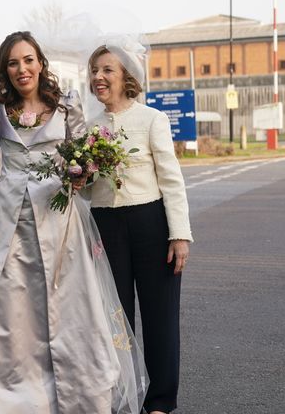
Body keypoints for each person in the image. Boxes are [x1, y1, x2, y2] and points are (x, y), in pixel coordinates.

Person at [0, 31, 148, 414]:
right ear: (5, 71)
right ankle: (10, 396)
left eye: (28, 60)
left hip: (58, 221)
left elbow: (84, 161)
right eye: (13, 63)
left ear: (41, 63)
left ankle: (77, 392)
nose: (21, 69)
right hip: (6, 221)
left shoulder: (66, 107)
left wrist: (81, 174)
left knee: (67, 307)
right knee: (10, 310)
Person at [87, 43, 193, 414]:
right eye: (94, 71)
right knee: (114, 321)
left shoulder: (151, 119)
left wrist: (179, 234)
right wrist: (80, 174)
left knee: (160, 316)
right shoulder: (88, 128)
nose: (98, 77)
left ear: (125, 77)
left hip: (151, 223)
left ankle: (160, 402)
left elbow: (171, 179)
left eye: (107, 70)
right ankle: (122, 397)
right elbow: (85, 189)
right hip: (104, 228)